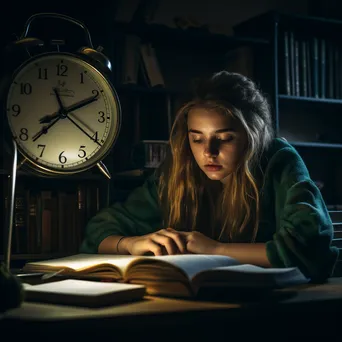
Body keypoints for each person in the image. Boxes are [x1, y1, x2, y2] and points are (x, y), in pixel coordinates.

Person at [80, 71, 339, 282]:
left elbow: (308, 249)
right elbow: (98, 231)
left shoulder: (279, 160)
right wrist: (131, 244)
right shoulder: (180, 170)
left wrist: (215, 249)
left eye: (225, 139)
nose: (208, 153)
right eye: (197, 138)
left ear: (253, 136)